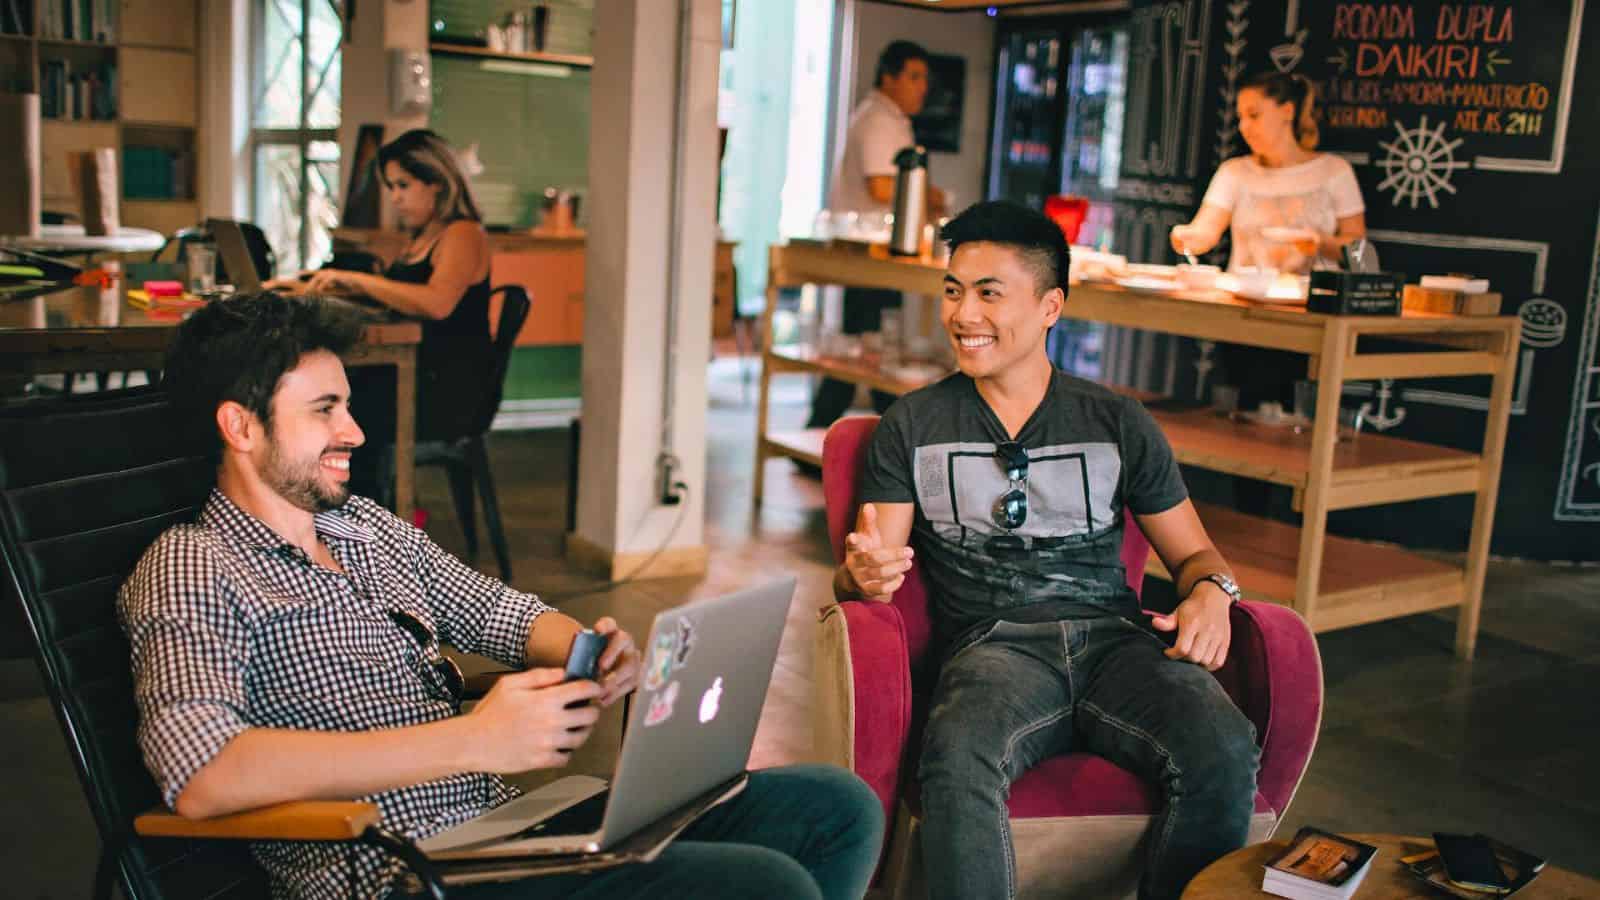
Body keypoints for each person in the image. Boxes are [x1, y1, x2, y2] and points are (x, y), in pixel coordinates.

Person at [120, 292, 884, 900]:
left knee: (835, 807)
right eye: (324, 410)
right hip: (400, 873)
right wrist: (473, 740)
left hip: (505, 830)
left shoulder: (362, 528)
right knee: (766, 886)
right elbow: (201, 774)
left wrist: (588, 650)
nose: (354, 431)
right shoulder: (194, 565)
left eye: (347, 405)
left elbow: (494, 612)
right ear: (240, 426)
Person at [835, 202, 1258, 900]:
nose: (962, 314)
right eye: (952, 290)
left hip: (1119, 645)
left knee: (1222, 744)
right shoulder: (912, 425)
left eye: (988, 293)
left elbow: (1197, 557)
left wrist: (1214, 592)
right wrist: (858, 576)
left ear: (1050, 306)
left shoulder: (1117, 421)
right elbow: (869, 568)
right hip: (991, 649)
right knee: (958, 758)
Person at [265, 129, 496, 503]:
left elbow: (436, 303)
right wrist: (320, 286)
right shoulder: (421, 237)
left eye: (403, 185)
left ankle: (358, 517)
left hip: (447, 388)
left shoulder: (464, 234)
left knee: (336, 408)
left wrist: (354, 280)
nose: (395, 197)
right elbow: (399, 298)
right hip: (418, 371)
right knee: (325, 398)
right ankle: (332, 512)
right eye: (391, 186)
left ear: (436, 182)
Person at [806, 40, 948, 433]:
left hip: (882, 256)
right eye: (914, 77)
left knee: (871, 352)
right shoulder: (877, 119)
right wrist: (931, 194)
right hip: (869, 256)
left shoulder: (892, 119)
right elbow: (883, 188)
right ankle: (840, 437)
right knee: (867, 353)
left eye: (925, 79)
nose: (922, 87)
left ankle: (873, 437)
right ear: (889, 77)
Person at [1170, 71, 1366, 274]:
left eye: (1254, 115)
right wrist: (1189, 237)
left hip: (1313, 299)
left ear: (1287, 112)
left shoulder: (1335, 171)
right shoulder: (1233, 172)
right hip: (1243, 297)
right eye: (1240, 118)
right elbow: (1206, 230)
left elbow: (1358, 250)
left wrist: (1320, 242)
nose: (1244, 127)